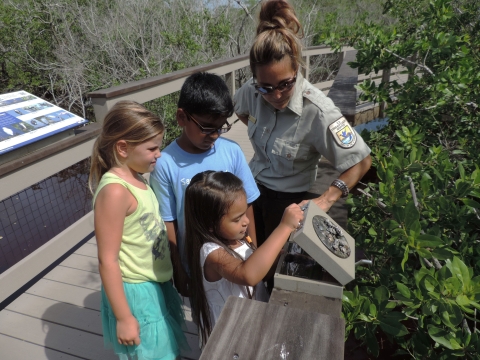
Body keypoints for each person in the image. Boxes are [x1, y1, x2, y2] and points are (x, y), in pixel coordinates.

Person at [234, 0, 372, 252]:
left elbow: (361, 161)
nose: (276, 95)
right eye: (266, 87)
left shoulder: (318, 111)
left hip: (289, 203)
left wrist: (327, 198)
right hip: (252, 191)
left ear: (296, 68)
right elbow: (241, 111)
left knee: (279, 269)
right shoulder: (250, 93)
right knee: (250, 256)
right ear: (254, 79)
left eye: (285, 84)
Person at [89, 100, 189, 360]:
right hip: (136, 290)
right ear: (123, 148)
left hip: (155, 280)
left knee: (164, 349)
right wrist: (124, 317)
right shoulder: (114, 191)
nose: (160, 154)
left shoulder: (137, 176)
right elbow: (107, 260)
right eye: (153, 148)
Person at [150, 72, 260, 297]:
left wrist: (254, 252)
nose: (215, 135)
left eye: (221, 127)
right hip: (197, 263)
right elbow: (168, 222)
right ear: (182, 117)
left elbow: (247, 204)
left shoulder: (232, 152)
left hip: (238, 257)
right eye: (207, 127)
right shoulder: (165, 164)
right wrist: (178, 271)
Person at [184, 170, 305, 346]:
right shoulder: (210, 252)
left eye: (245, 213)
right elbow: (247, 275)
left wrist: (279, 256)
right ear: (210, 224)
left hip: (250, 326)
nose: (246, 221)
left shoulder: (240, 240)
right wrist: (284, 226)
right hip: (229, 338)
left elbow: (261, 272)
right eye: (237, 218)